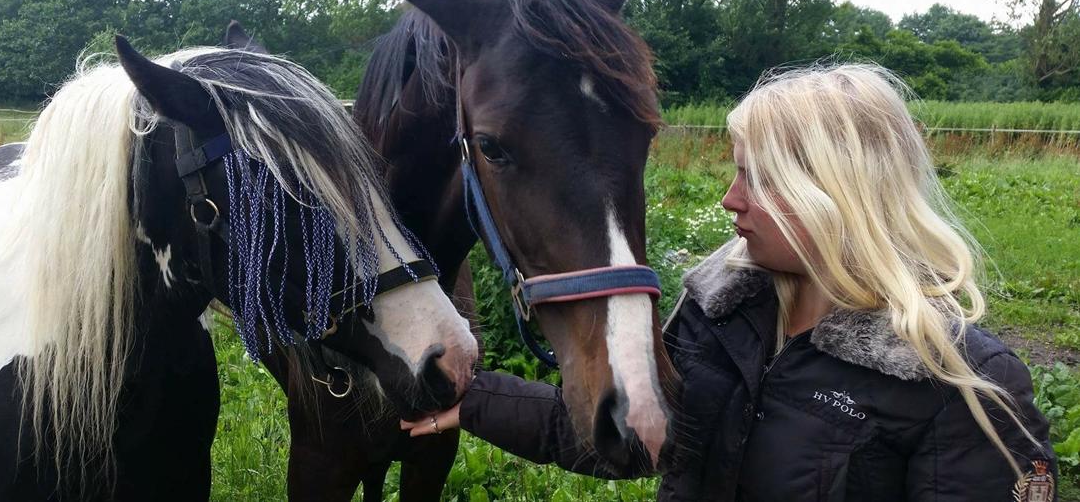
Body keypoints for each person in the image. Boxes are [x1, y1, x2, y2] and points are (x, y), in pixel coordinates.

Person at [401, 63, 1059, 501]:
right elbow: (633, 438)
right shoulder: (720, 316)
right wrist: (475, 397)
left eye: (757, 179)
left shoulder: (961, 385)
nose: (729, 200)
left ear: (837, 192)